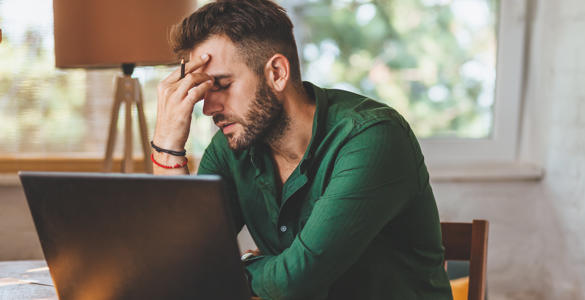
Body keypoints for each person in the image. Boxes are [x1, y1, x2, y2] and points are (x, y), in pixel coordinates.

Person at [151, 0, 452, 299]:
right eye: (203, 90)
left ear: (278, 73)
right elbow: (178, 266)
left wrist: (237, 265)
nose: (209, 108)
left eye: (222, 84)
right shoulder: (232, 146)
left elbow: (295, 282)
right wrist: (167, 145)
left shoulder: (373, 138)